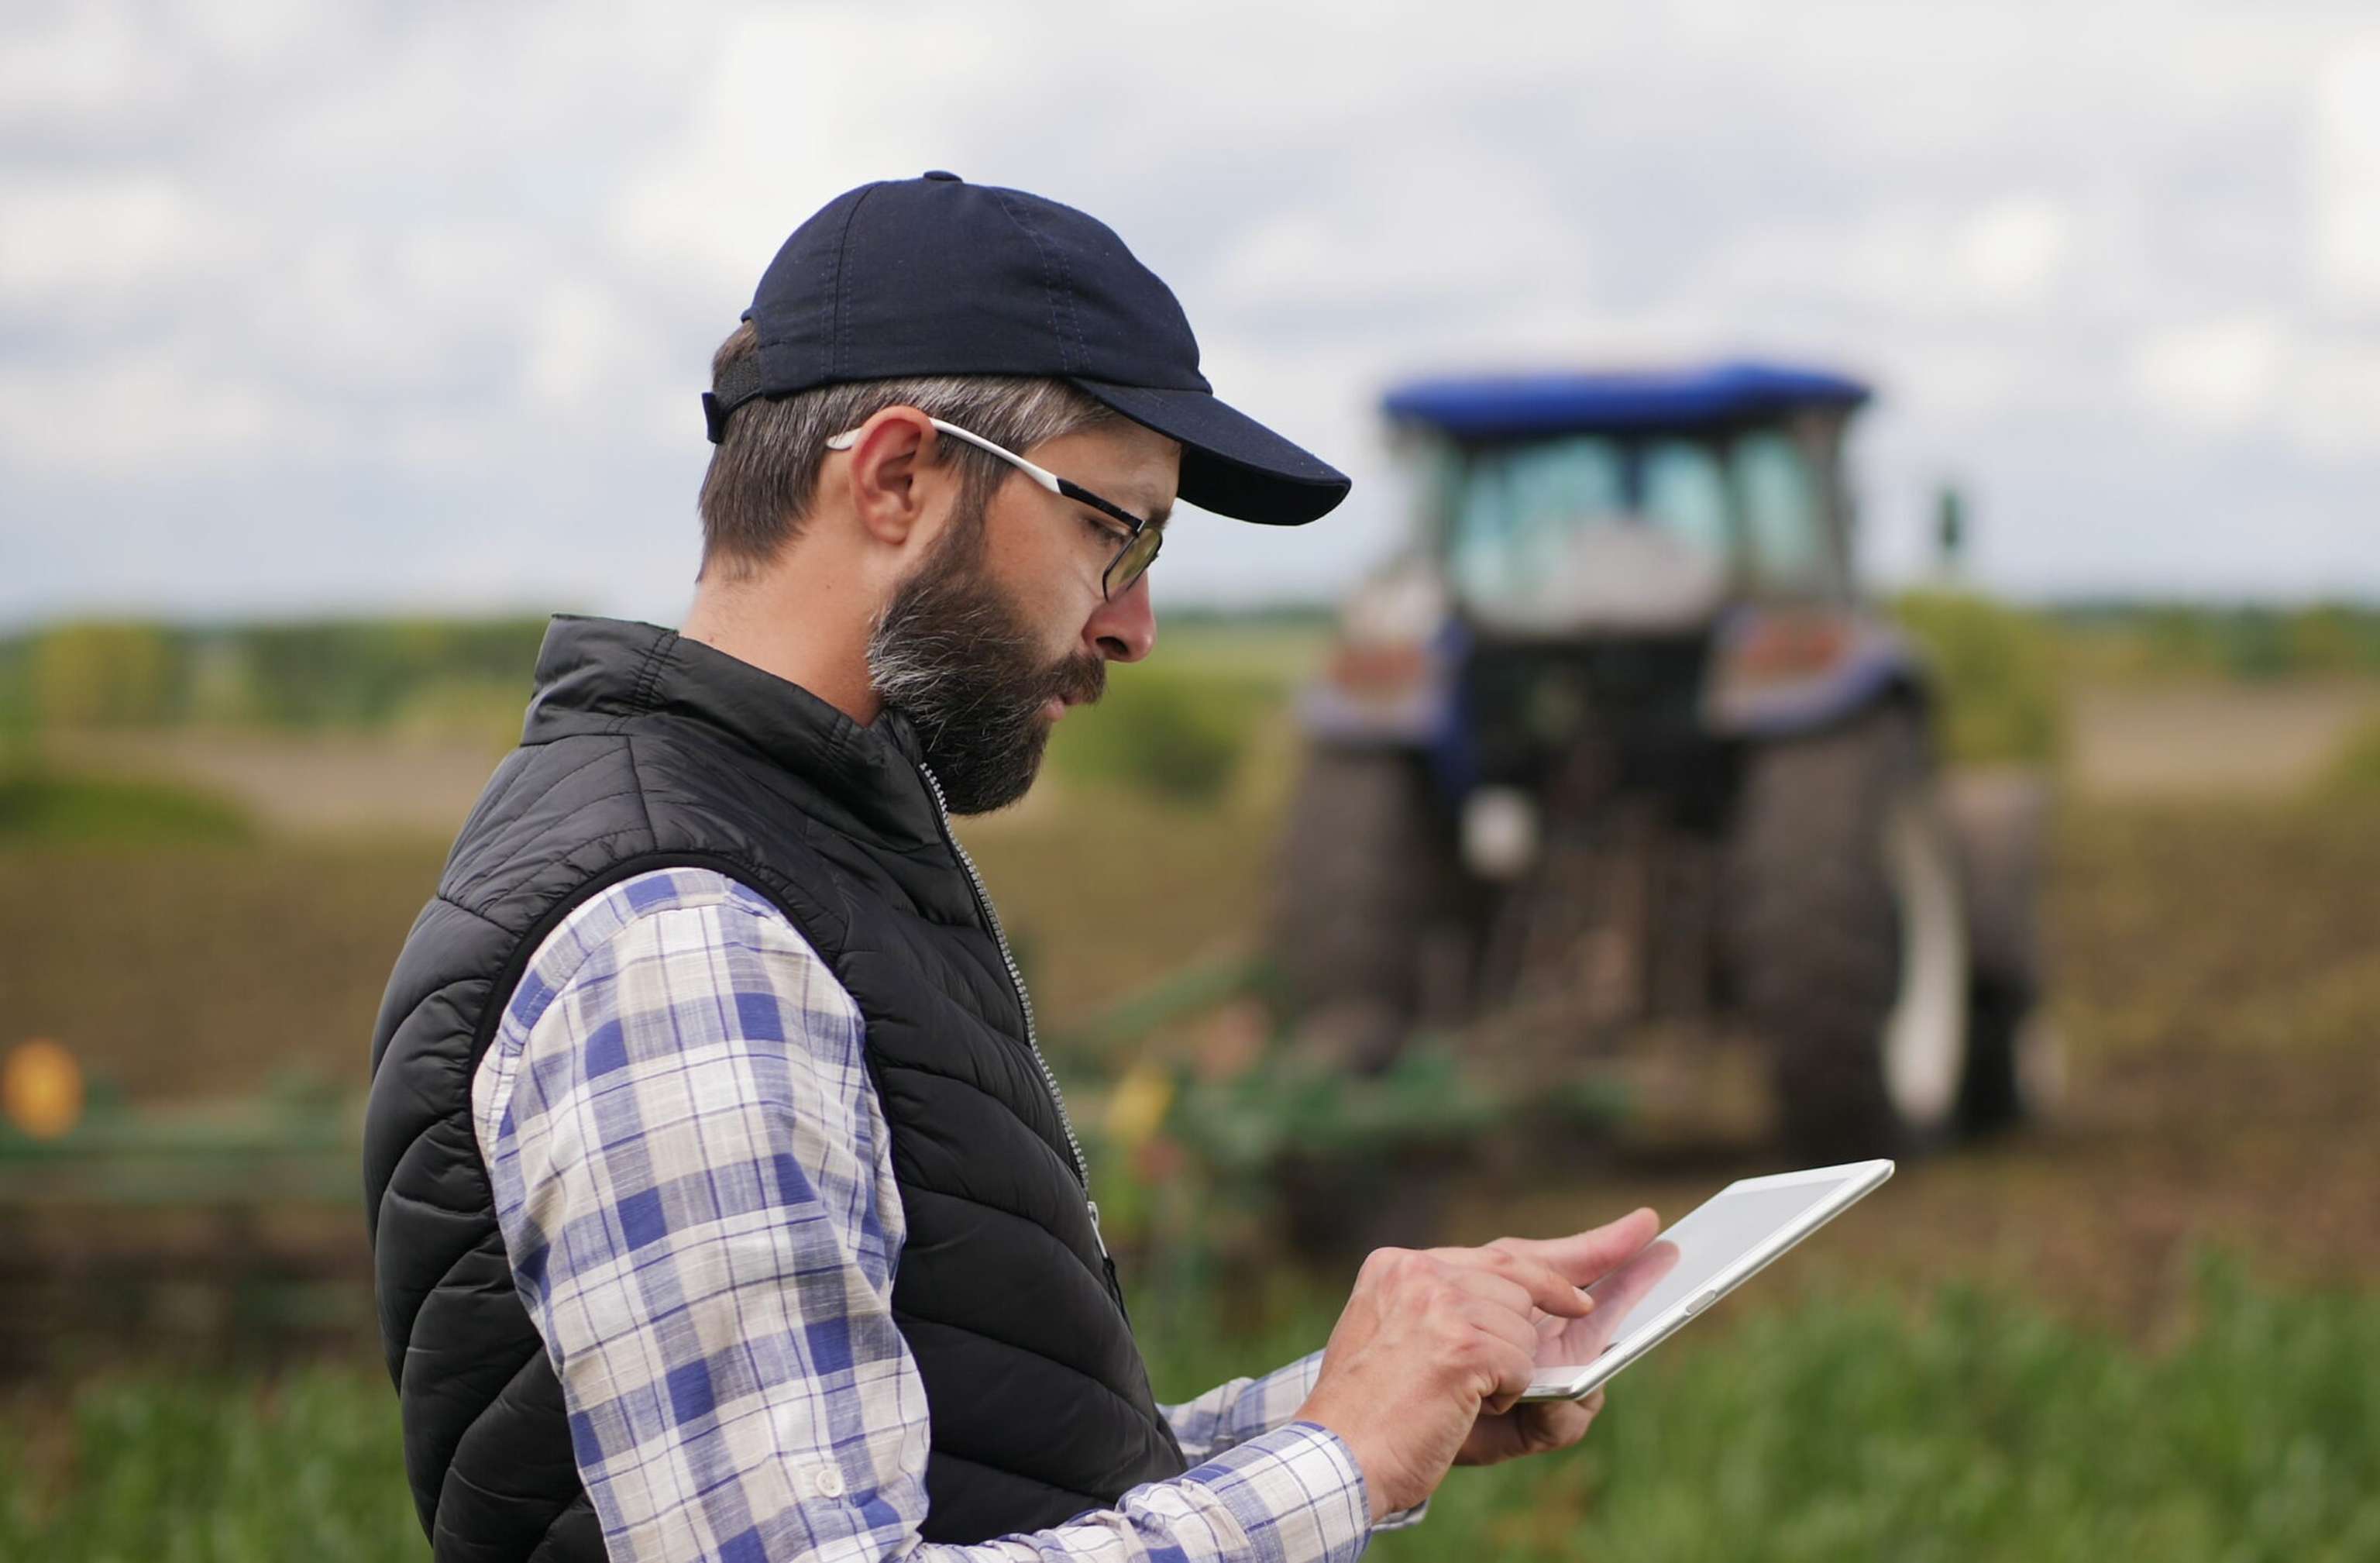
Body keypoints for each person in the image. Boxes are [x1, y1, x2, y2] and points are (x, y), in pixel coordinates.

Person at [363, 172, 1659, 1563]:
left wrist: (1367, 1409)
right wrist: (1334, 1466)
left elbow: (958, 1471)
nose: (1138, 624)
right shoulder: (686, 940)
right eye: (1115, 530)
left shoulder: (804, 858)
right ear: (899, 479)